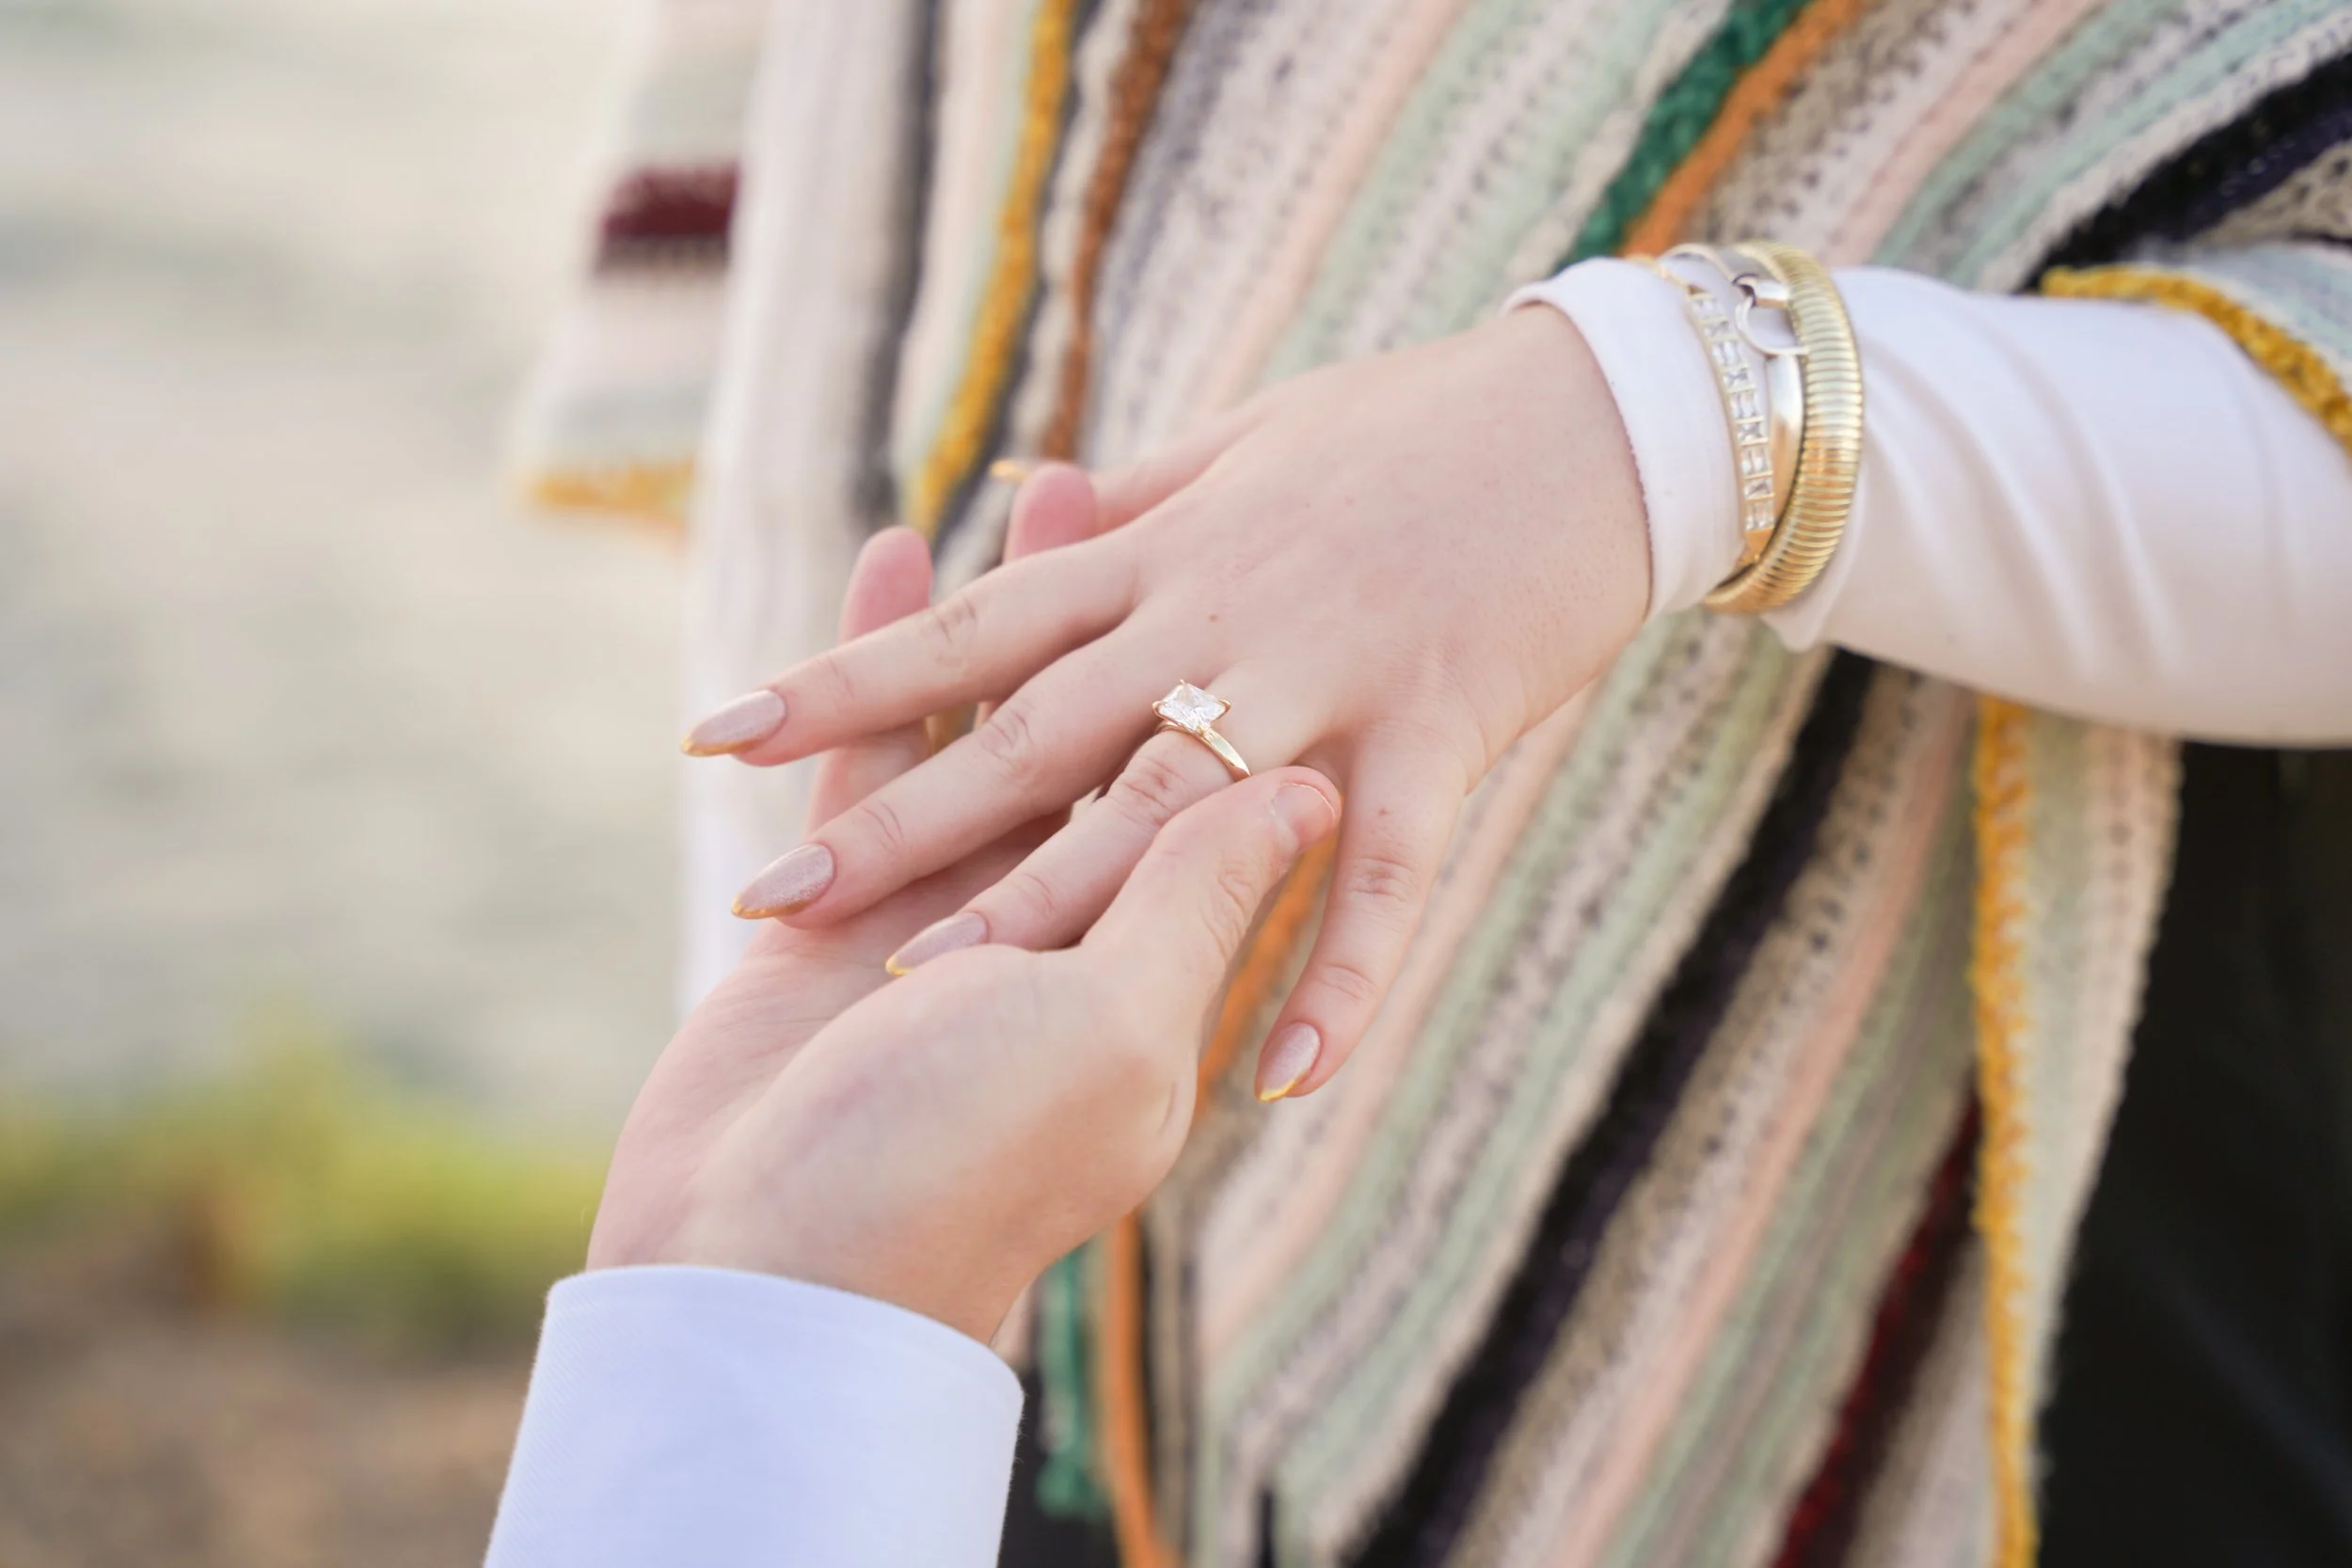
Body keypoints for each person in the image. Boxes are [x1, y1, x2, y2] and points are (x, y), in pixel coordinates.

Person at [515, 4, 2352, 1563]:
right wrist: (764, 1183)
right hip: (957, 1266)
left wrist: (1674, 417)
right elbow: (886, 191)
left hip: (2011, 1073)